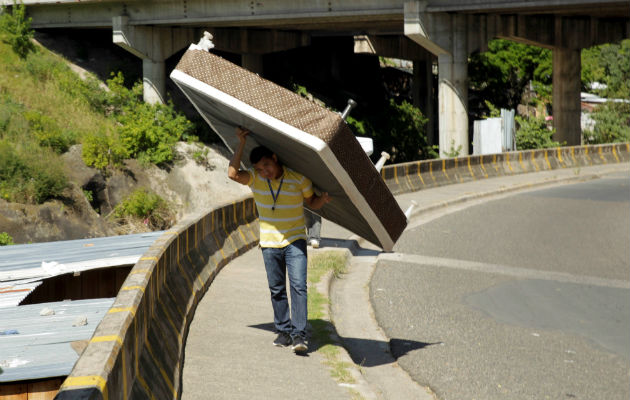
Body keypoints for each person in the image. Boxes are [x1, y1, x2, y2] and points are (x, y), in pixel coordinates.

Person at [227, 127, 331, 354]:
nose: (264, 172)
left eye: (266, 166)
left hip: (295, 240)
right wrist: (241, 143)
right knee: (276, 289)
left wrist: (322, 200)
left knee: (298, 287)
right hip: (269, 243)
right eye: (259, 169)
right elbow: (233, 174)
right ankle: (283, 331)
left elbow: (311, 203)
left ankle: (300, 336)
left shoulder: (298, 179)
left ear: (274, 159)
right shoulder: (255, 179)